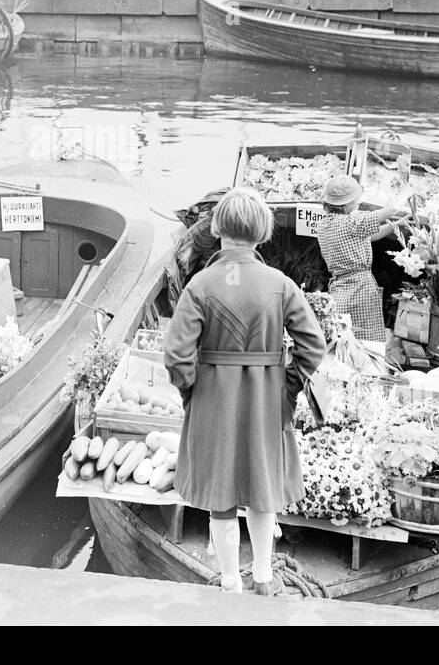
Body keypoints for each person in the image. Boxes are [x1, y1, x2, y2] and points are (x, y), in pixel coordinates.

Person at [164, 187, 327, 596]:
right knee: (261, 487)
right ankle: (265, 576)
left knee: (221, 496)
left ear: (218, 228)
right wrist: (287, 388)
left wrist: (192, 393)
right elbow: (313, 347)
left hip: (213, 398)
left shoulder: (201, 284)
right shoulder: (280, 283)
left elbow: (176, 355)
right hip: (266, 399)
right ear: (263, 233)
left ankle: (231, 582)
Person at [315, 175, 411, 343]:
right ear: (344, 204)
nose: (358, 203)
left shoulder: (324, 224)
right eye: (355, 200)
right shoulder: (352, 221)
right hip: (360, 289)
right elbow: (392, 209)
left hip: (339, 289)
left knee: (343, 341)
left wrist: (397, 225)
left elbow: (369, 236)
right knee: (366, 342)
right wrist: (407, 192)